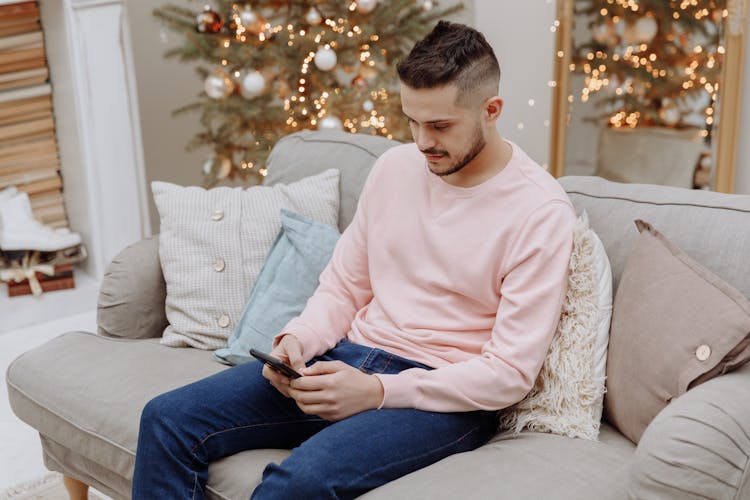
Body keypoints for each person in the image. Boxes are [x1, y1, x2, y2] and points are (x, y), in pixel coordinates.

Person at [132, 20, 575, 499]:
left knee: (294, 486)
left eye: (441, 125)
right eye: (412, 121)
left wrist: (379, 392)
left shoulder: (540, 212)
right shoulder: (394, 169)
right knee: (165, 419)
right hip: (348, 357)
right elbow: (344, 286)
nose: (422, 141)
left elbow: (509, 374)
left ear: (491, 111)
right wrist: (297, 341)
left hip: (443, 397)